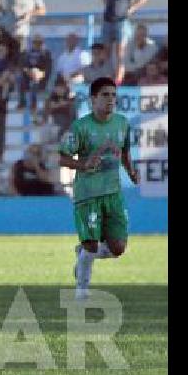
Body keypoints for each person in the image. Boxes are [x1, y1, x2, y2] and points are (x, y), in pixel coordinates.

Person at [58, 77, 140, 301]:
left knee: (118, 249)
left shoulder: (122, 123)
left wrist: (131, 172)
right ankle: (81, 293)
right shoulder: (81, 127)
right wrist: (83, 165)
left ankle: (83, 253)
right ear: (93, 99)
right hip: (88, 194)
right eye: (105, 95)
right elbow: (62, 158)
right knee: (92, 245)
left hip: (113, 194)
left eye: (113, 95)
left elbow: (124, 151)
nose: (111, 100)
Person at [100, 0, 149, 84]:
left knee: (120, 51)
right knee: (106, 50)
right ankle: (108, 76)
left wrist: (132, 8)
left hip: (121, 22)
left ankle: (118, 78)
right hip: (108, 22)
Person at [17, 34, 53, 115]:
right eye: (35, 42)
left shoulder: (46, 54)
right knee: (19, 78)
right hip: (28, 76)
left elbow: (48, 69)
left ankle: (33, 105)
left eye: (39, 43)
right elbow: (22, 66)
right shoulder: (26, 53)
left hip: (40, 79)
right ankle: (22, 102)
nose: (37, 44)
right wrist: (29, 72)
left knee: (34, 84)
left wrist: (39, 74)